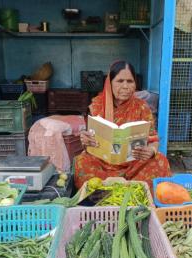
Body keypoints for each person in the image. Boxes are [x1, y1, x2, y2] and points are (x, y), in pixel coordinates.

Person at [74, 61, 172, 189]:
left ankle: (131, 196)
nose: (126, 86)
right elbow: (88, 141)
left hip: (133, 164)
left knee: (160, 160)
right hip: (102, 163)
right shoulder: (96, 106)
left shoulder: (142, 107)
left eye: (130, 81)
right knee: (82, 161)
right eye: (120, 81)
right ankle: (106, 196)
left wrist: (151, 150)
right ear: (110, 83)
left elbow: (153, 139)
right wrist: (85, 140)